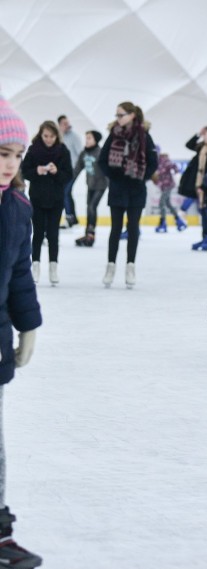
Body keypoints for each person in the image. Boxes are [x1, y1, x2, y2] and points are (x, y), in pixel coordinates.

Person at [0, 92, 45, 568]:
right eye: (2, 154)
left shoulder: (16, 208)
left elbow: (17, 275)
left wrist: (28, 326)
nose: (10, 165)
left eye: (16, 156)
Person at [97, 101, 157, 289]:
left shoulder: (145, 136)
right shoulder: (113, 135)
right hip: (117, 188)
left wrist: (141, 177)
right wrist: (113, 175)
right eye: (116, 115)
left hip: (136, 189)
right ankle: (110, 266)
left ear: (132, 115)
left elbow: (153, 162)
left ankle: (130, 266)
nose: (118, 118)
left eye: (120, 115)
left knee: (132, 229)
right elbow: (102, 160)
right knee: (115, 229)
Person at [21, 120, 72, 286]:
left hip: (56, 199)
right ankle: (35, 265)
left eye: (51, 136)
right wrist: (37, 171)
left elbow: (68, 175)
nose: (48, 139)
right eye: (45, 136)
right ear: (41, 135)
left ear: (57, 136)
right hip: (37, 197)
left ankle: (53, 266)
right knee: (37, 233)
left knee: (53, 234)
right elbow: (24, 171)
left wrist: (57, 172)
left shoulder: (63, 151)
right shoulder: (33, 150)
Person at [178, 126, 207, 251]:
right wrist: (198, 133)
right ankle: (204, 237)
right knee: (203, 212)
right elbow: (188, 144)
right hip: (198, 183)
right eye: (204, 135)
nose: (205, 137)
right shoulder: (201, 147)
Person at [71, 130, 108, 247]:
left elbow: (107, 170)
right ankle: (87, 234)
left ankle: (91, 234)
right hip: (90, 185)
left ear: (95, 140)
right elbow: (77, 169)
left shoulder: (100, 153)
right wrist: (68, 180)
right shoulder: (84, 153)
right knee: (89, 208)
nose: (86, 140)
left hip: (101, 185)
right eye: (86, 138)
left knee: (92, 207)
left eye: (89, 138)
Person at [58, 114, 82, 227]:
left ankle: (70, 218)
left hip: (72, 170)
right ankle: (72, 218)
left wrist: (77, 169)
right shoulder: (58, 137)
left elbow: (81, 154)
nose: (68, 125)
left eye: (68, 123)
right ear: (60, 125)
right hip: (61, 171)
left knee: (65, 192)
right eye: (64, 123)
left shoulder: (74, 137)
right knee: (65, 193)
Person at [153, 147, 185, 233]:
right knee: (168, 203)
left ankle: (163, 222)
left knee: (161, 202)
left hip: (168, 185)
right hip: (163, 186)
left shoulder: (163, 160)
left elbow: (174, 166)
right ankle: (178, 220)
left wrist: (176, 171)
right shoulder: (156, 162)